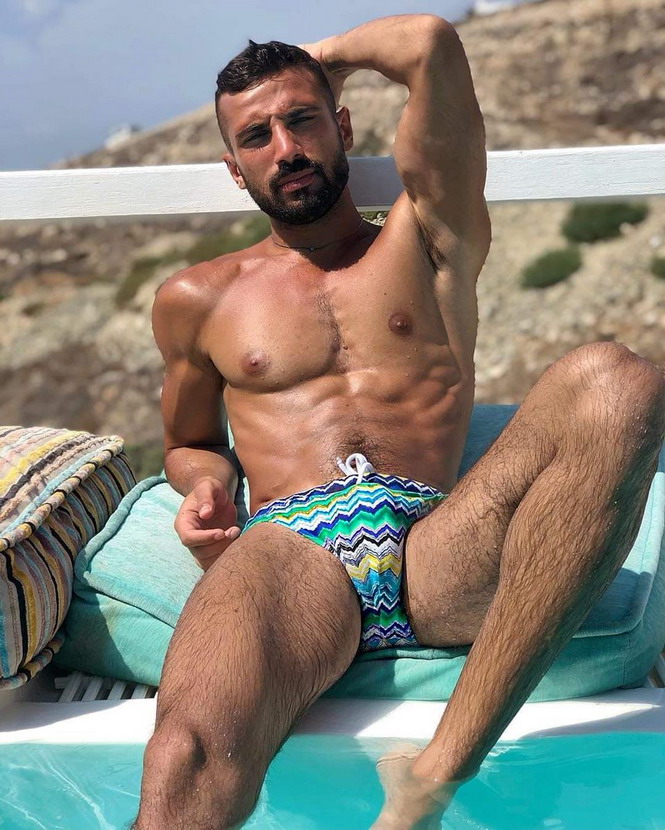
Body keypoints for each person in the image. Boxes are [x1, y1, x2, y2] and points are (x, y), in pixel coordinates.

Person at [133, 14, 665, 830]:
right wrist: (204, 485)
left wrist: (320, 58)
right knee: (184, 757)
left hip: (436, 543)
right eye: (257, 136)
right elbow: (189, 442)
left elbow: (428, 46)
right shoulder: (197, 299)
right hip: (293, 552)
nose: (286, 148)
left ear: (342, 126)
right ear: (234, 169)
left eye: (302, 119)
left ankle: (435, 774)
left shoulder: (427, 242)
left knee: (619, 382)